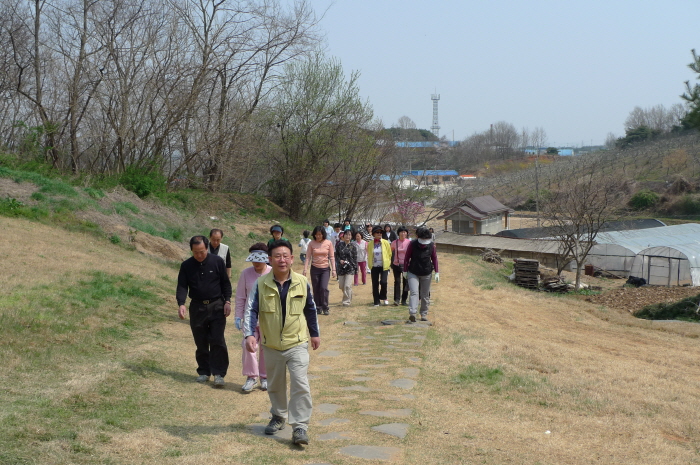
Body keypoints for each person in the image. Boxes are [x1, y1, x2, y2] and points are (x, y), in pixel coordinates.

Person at [243, 240, 320, 446]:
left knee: (300, 384)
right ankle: (278, 416)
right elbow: (251, 310)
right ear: (270, 259)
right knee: (275, 386)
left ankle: (300, 426)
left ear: (292, 259)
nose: (282, 260)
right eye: (277, 256)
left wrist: (314, 333)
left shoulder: (302, 282)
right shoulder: (261, 284)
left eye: (286, 256)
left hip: (297, 343)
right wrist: (249, 334)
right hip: (272, 345)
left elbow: (310, 309)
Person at [176, 235, 232, 387]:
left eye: (202, 251)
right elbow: (182, 286)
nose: (199, 255)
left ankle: (219, 373)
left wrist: (227, 301)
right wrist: (181, 303)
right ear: (191, 251)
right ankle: (204, 372)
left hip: (217, 306)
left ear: (207, 248)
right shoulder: (186, 265)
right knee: (200, 341)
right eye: (195, 252)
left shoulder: (217, 262)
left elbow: (225, 283)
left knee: (217, 340)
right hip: (197, 307)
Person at [234, 243, 272, 392]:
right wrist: (238, 316)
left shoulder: (272, 272)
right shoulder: (246, 274)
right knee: (248, 345)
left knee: (266, 347)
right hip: (250, 317)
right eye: (253, 260)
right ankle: (251, 377)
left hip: (268, 318)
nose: (256, 263)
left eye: (259, 259)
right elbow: (240, 297)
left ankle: (265, 376)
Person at [403, 227, 439, 323]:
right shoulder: (412, 244)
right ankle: (413, 313)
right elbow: (407, 257)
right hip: (413, 271)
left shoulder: (431, 245)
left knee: (425, 294)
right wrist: (405, 270)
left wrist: (437, 272)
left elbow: (434, 259)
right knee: (414, 292)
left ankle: (423, 313)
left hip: (426, 272)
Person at [303, 226, 335, 315]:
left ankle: (325, 307)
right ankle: (318, 307)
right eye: (316, 234)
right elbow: (308, 257)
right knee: (316, 288)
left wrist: (334, 270)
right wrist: (305, 269)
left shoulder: (328, 243)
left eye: (320, 234)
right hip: (315, 269)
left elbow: (332, 257)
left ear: (323, 234)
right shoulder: (311, 243)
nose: (318, 236)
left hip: (325, 269)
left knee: (323, 288)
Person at [367, 225, 391, 306]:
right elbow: (369, 254)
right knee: (375, 283)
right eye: (377, 232)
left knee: (383, 282)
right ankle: (376, 301)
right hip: (374, 266)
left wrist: (388, 263)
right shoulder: (370, 244)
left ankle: (384, 297)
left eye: (381, 232)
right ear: (373, 234)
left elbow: (389, 253)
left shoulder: (386, 242)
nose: (379, 233)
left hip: (384, 265)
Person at [335, 230, 357, 306]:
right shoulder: (339, 245)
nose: (348, 236)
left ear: (351, 236)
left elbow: (355, 258)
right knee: (341, 286)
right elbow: (336, 255)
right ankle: (349, 293)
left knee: (347, 285)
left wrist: (356, 269)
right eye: (346, 235)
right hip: (341, 268)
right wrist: (339, 261)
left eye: (349, 235)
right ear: (343, 236)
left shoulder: (353, 246)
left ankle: (346, 301)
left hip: (350, 269)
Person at [390, 226, 411, 306]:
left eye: (404, 232)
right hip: (396, 264)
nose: (403, 233)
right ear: (398, 233)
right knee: (397, 282)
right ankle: (397, 299)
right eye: (401, 232)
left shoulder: (409, 242)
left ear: (406, 233)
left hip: (406, 265)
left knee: (406, 282)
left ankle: (404, 300)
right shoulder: (394, 242)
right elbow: (389, 252)